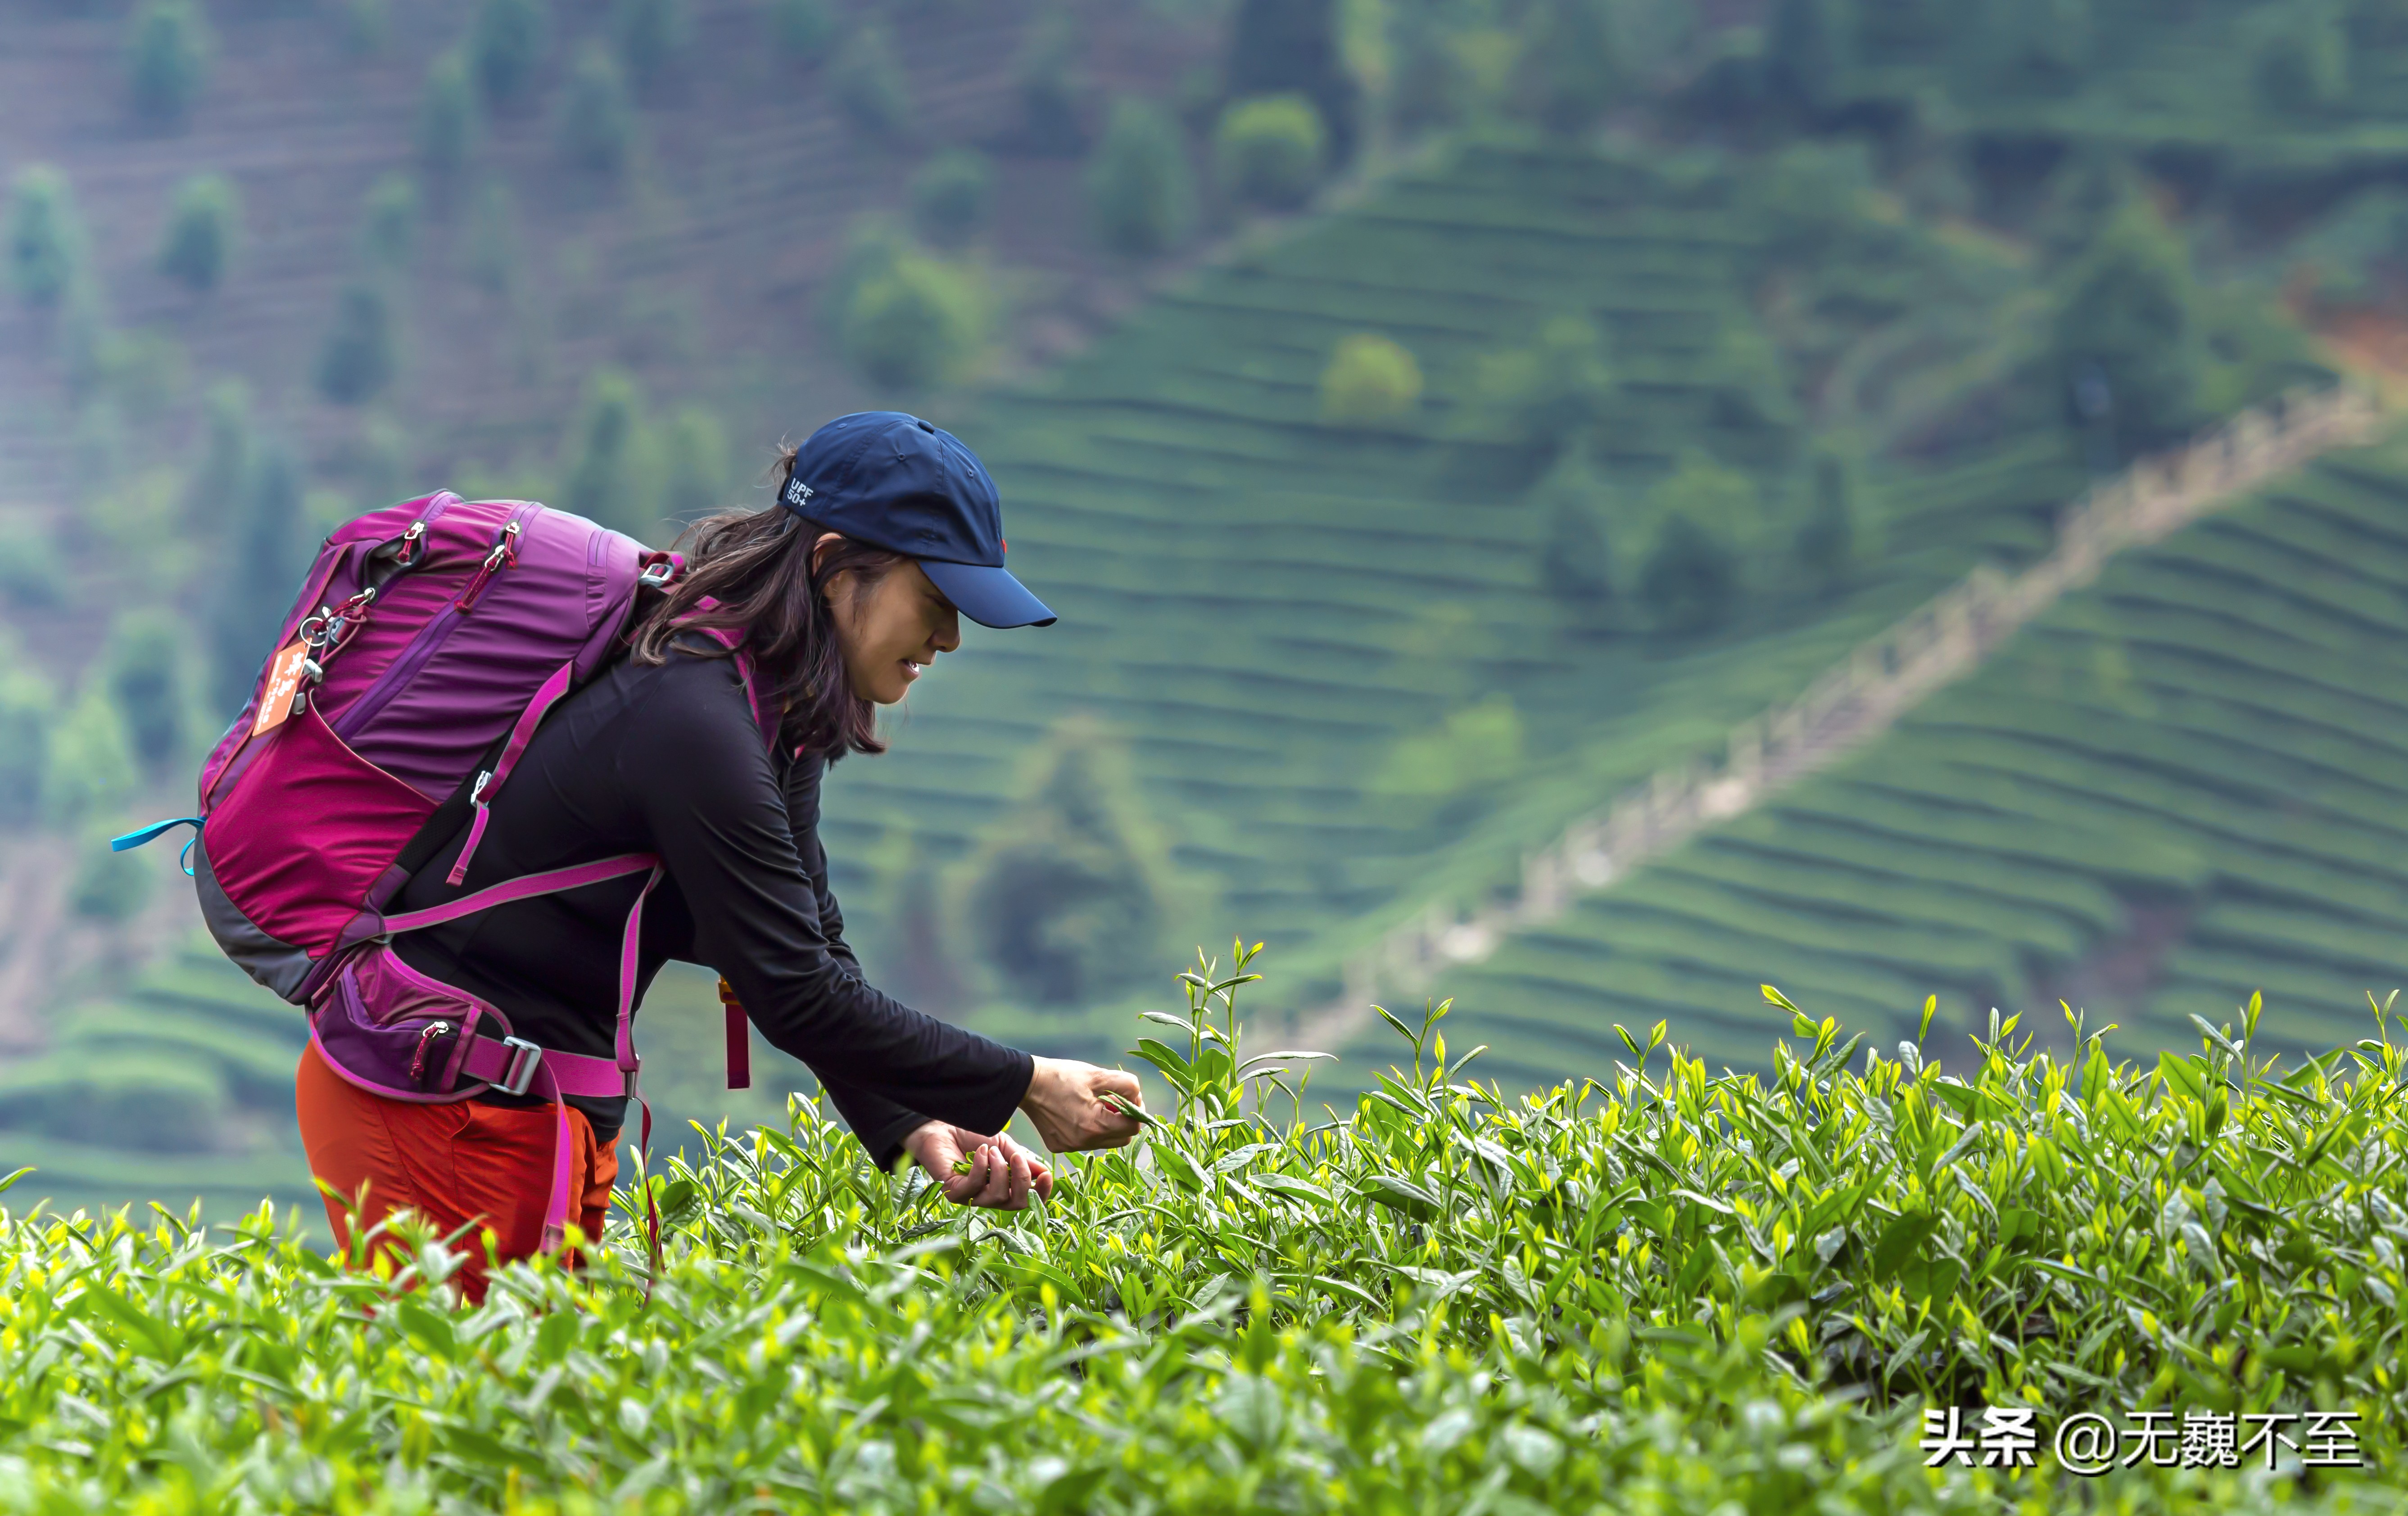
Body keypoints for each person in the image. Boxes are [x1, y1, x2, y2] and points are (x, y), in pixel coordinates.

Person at [295, 411, 1145, 1298]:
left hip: (529, 1100)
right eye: (937, 600)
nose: (951, 638)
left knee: (510, 1411)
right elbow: (798, 992)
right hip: (449, 1099)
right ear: (830, 566)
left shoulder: (774, 710)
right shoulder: (694, 715)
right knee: (456, 1419)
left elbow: (810, 945)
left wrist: (908, 1118)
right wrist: (1027, 1081)